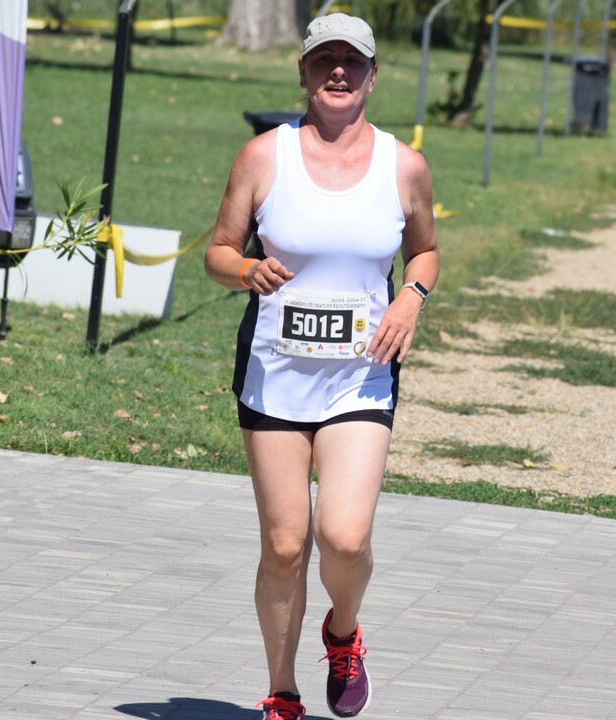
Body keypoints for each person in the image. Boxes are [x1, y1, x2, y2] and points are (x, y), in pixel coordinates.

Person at [204, 13, 439, 720]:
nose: (338, 72)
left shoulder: (403, 166)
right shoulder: (262, 157)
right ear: (303, 72)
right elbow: (217, 252)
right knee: (284, 545)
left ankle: (343, 631)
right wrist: (244, 269)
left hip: (360, 375)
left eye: (352, 62)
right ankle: (282, 690)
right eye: (324, 60)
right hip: (274, 374)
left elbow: (425, 251)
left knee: (343, 535)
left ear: (372, 75)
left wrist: (410, 298)